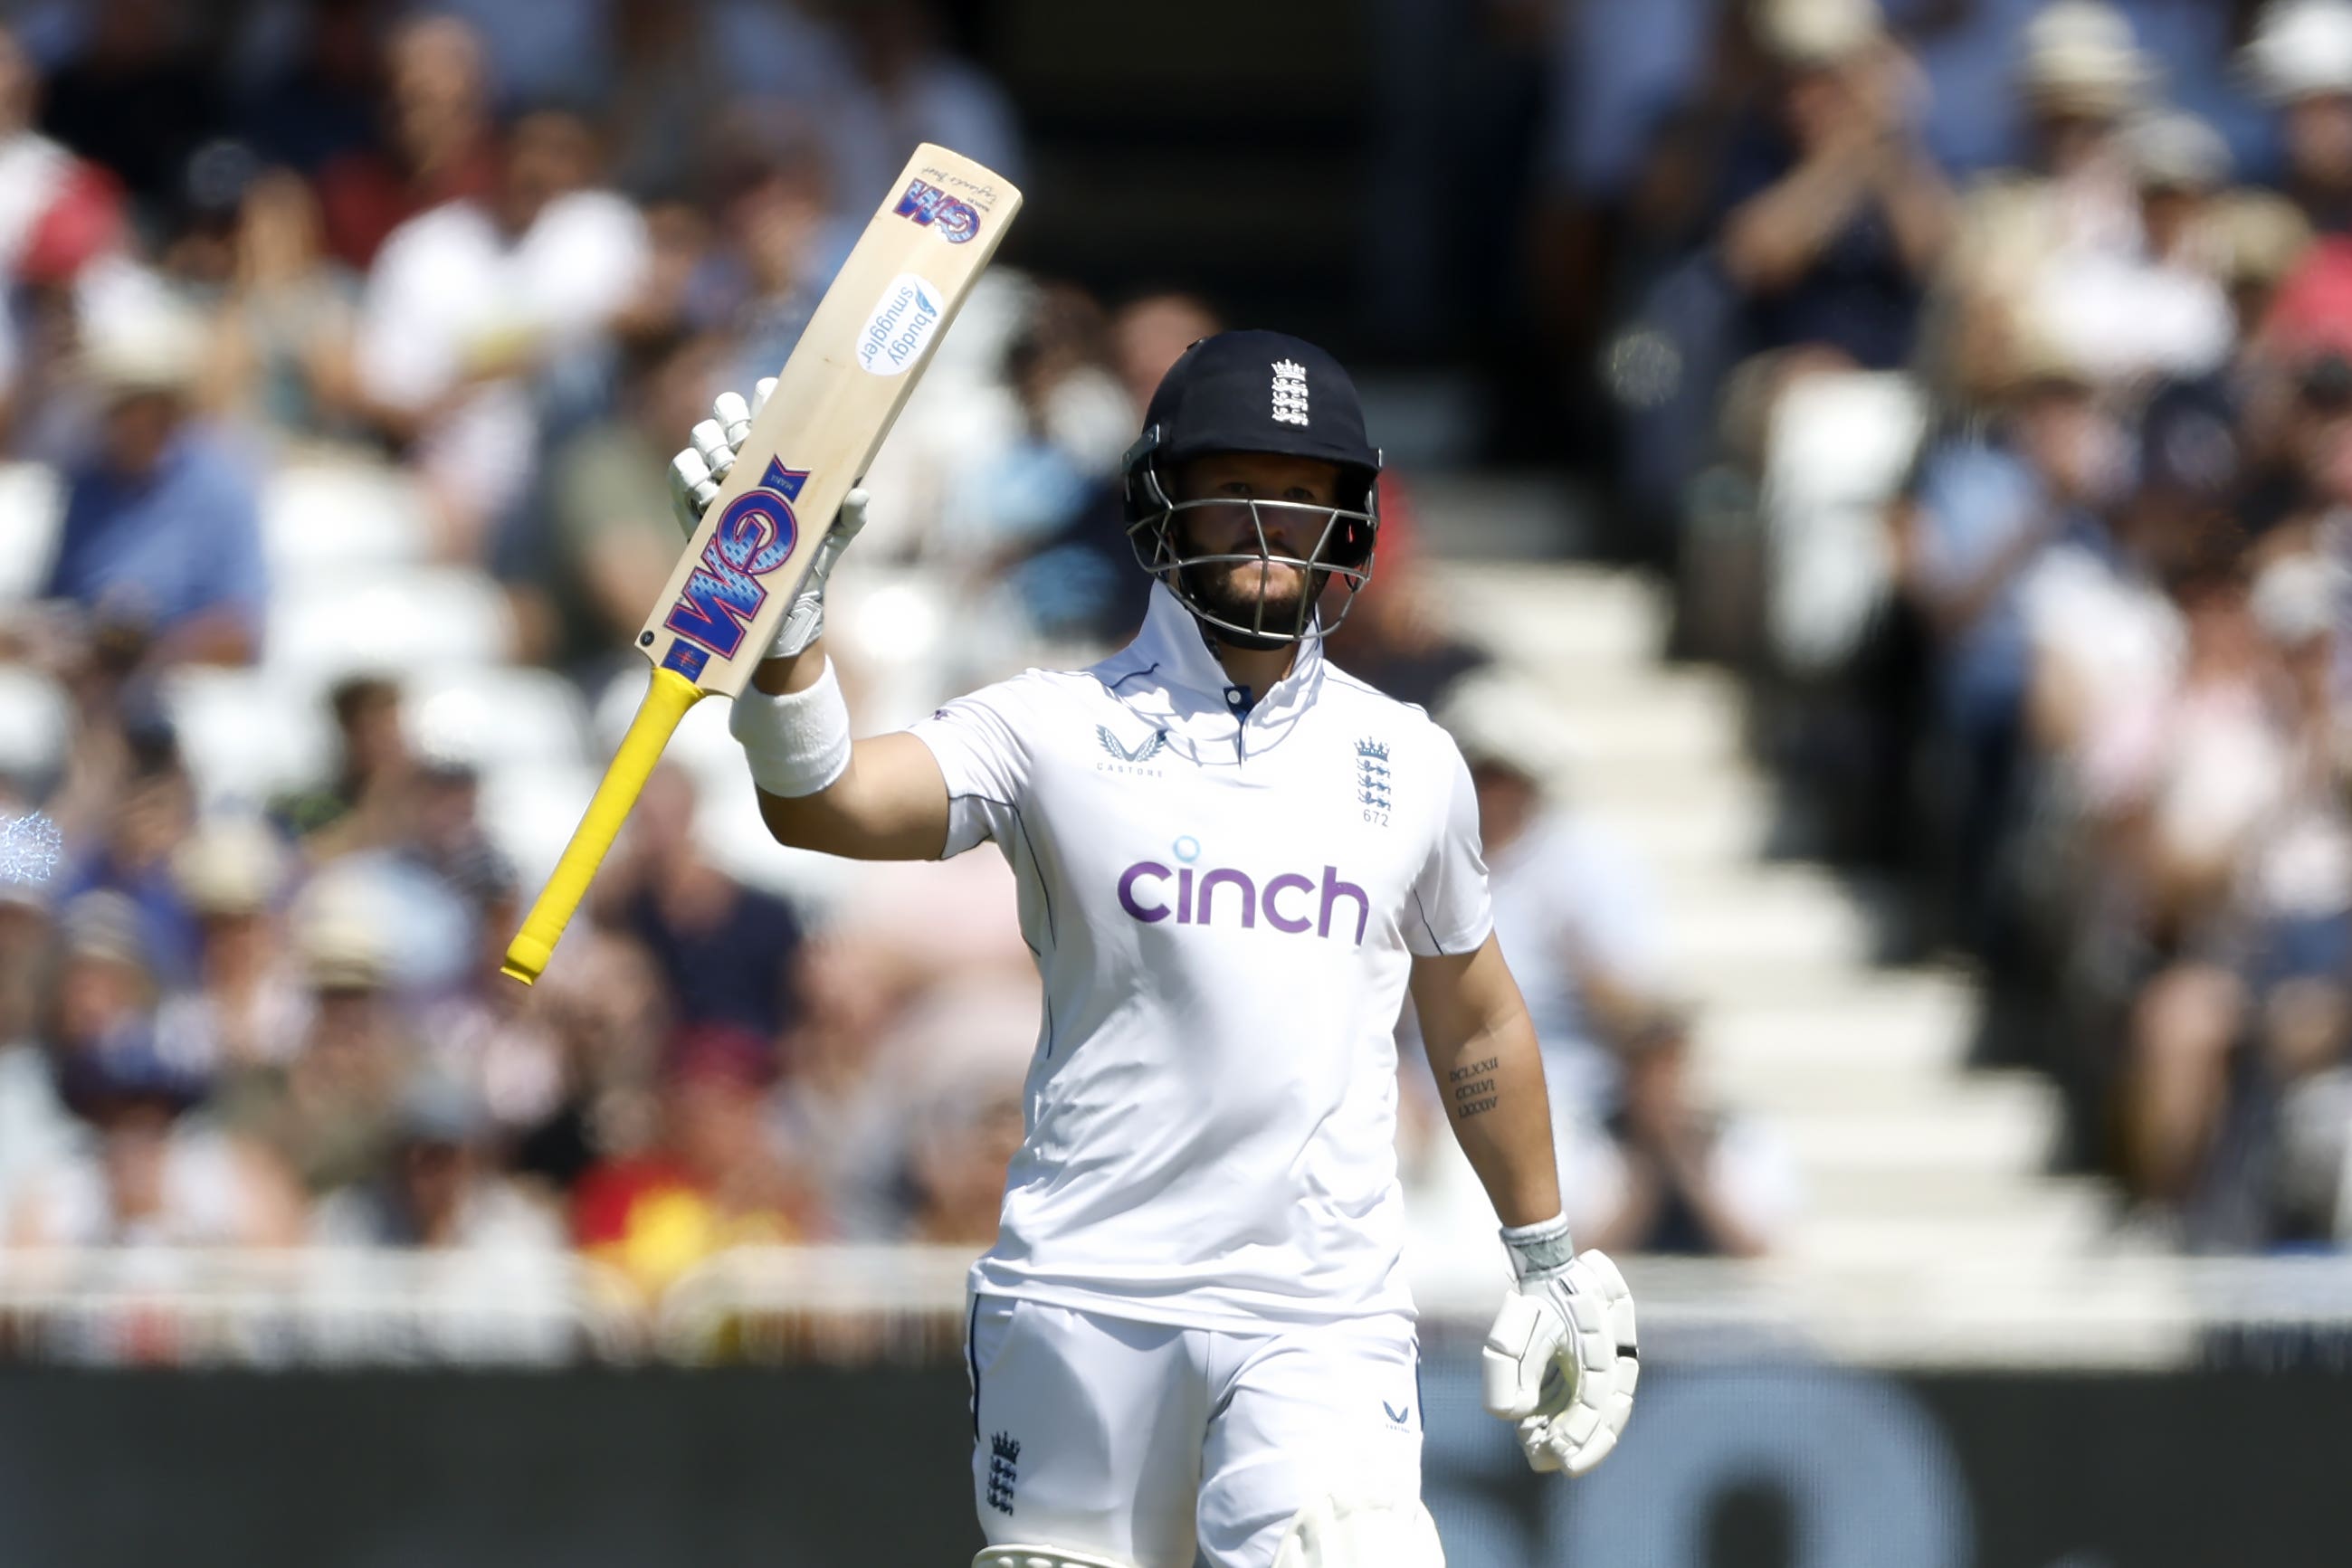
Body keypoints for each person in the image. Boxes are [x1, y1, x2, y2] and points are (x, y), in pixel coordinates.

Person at [666, 330, 1638, 1567]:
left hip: (1318, 1310)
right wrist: (787, 630)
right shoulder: (1053, 728)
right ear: (1159, 497)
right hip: (1086, 1296)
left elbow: (1478, 1014)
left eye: (1308, 498)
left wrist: (1544, 1253)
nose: (1273, 529)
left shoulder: (1412, 762)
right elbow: (826, 802)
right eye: (1239, 490)